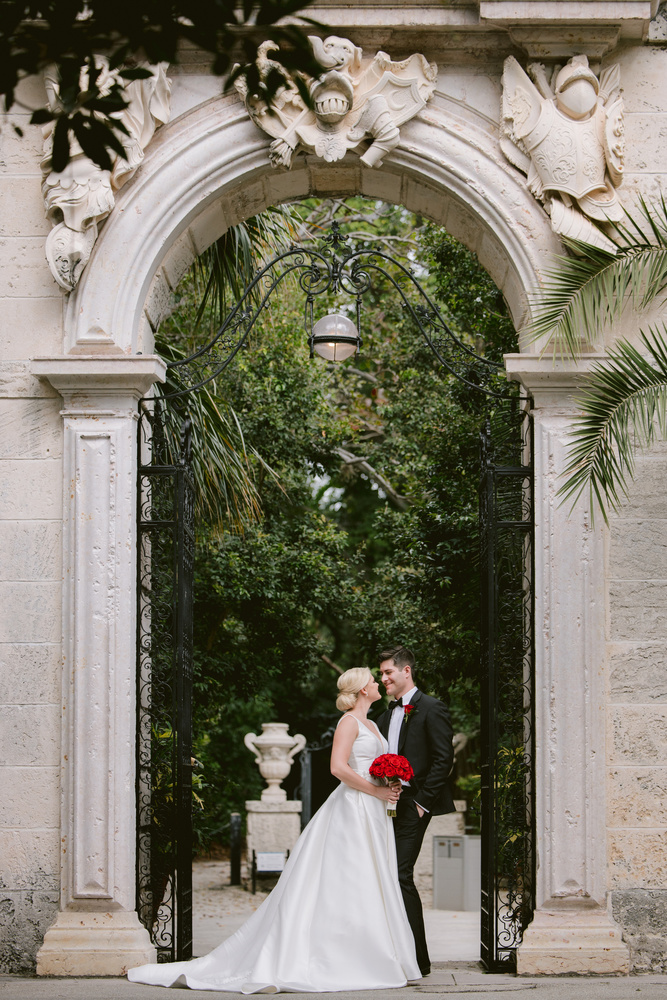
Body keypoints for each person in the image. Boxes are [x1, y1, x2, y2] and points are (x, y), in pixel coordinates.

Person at [127, 667, 421, 993]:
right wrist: (375, 790)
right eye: (372, 679)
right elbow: (338, 767)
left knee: (373, 878)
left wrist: (389, 784)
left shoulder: (372, 725)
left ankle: (373, 955)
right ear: (362, 689)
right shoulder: (349, 722)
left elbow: (373, 764)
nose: (378, 682)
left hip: (374, 810)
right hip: (353, 808)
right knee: (351, 876)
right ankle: (341, 958)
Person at [376, 645, 455, 978]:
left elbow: (443, 759)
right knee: (382, 875)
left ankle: (418, 961)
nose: (383, 679)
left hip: (413, 805)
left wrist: (423, 803)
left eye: (388, 672)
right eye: (381, 674)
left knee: (400, 875)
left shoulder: (432, 708)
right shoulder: (382, 715)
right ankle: (389, 954)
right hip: (383, 804)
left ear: (406, 670)